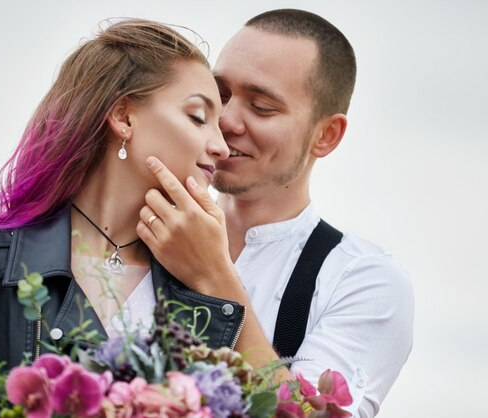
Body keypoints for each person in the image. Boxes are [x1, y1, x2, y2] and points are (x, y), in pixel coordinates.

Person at [0, 19, 252, 416]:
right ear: (124, 117)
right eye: (198, 116)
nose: (221, 147)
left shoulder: (201, 281)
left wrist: (219, 277)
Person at [138, 9, 414, 418]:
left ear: (326, 135)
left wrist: (213, 277)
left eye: (262, 107)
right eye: (220, 95)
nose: (226, 120)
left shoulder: (362, 281)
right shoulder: (136, 225)